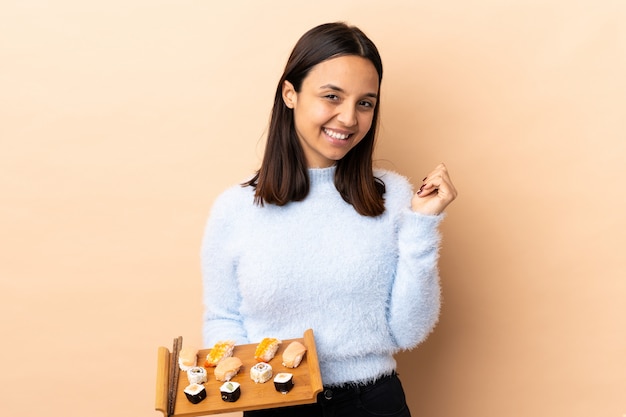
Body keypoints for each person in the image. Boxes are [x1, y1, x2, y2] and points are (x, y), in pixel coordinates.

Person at [201, 22, 457, 417]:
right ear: (290, 93)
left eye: (365, 103)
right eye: (332, 96)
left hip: (373, 402)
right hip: (275, 403)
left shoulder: (394, 197)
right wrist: (252, 385)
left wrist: (422, 226)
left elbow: (409, 331)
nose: (349, 118)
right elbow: (223, 319)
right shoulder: (234, 209)